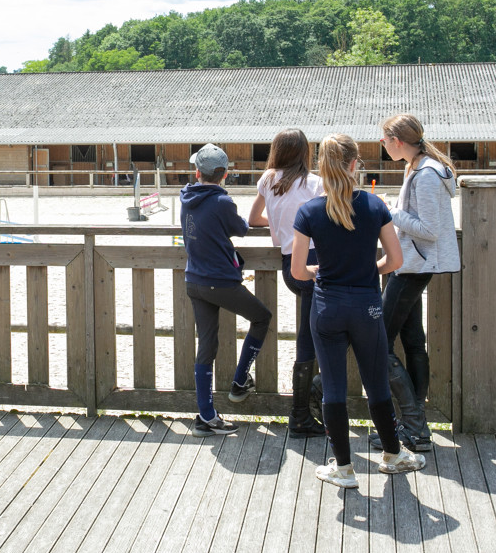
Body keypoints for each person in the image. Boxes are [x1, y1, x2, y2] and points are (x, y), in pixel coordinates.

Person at [291, 133, 425, 488]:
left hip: (327, 306)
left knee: (334, 388)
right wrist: (369, 272)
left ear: (322, 167)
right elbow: (395, 260)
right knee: (376, 382)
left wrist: (317, 273)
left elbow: (297, 270)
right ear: (354, 165)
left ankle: (345, 469)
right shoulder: (374, 204)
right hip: (366, 305)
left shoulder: (309, 211)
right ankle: (394, 455)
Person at [372, 114, 460, 453]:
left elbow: (430, 230)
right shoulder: (422, 167)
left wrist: (388, 210)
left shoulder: (424, 174)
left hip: (413, 265)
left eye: (384, 138)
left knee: (378, 340)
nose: (381, 144)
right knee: (412, 342)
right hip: (412, 263)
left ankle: (412, 425)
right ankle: (415, 427)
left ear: (397, 140)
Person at [180, 143, 273, 437]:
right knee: (261, 317)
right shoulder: (222, 202)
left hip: (194, 279)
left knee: (207, 345)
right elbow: (241, 228)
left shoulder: (186, 198)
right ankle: (239, 380)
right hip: (219, 280)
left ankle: (206, 416)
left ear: (197, 172)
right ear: (224, 174)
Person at [247, 128, 324, 437]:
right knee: (319, 336)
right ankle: (303, 411)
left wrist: (281, 224)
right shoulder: (315, 183)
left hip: (288, 265)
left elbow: (253, 219)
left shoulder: (267, 180)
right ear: (305, 152)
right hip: (315, 262)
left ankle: (302, 411)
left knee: (311, 335)